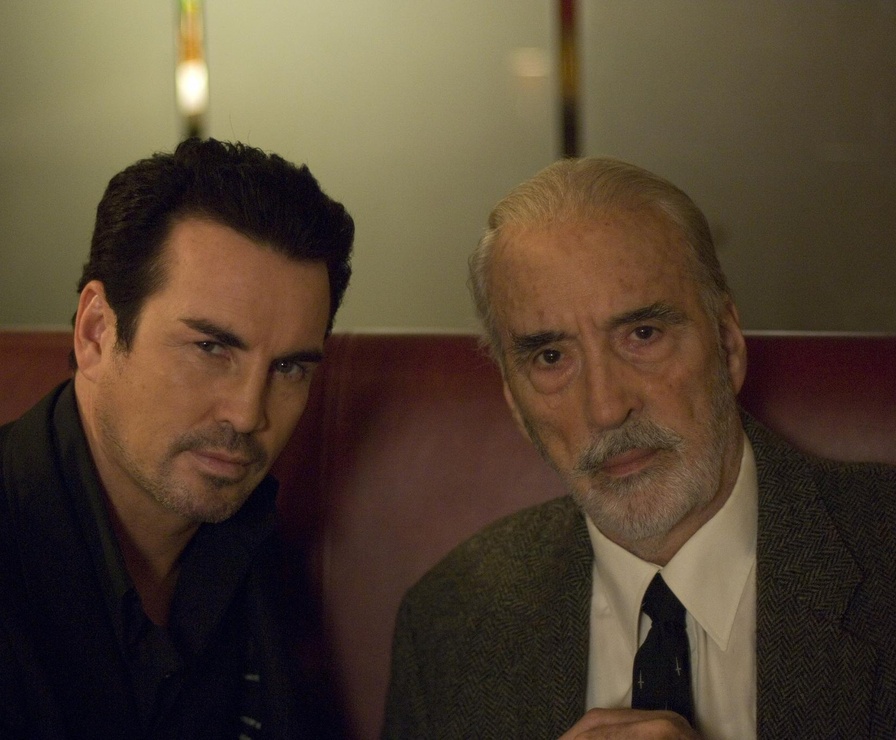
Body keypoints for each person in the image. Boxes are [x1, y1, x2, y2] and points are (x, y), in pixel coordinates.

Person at [382, 157, 896, 738]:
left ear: (728, 345)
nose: (606, 408)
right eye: (551, 357)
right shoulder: (446, 624)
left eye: (643, 335)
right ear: (515, 404)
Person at [0, 138, 354, 739]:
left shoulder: (260, 552)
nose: (248, 414)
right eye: (210, 348)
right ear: (96, 332)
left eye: (290, 367)